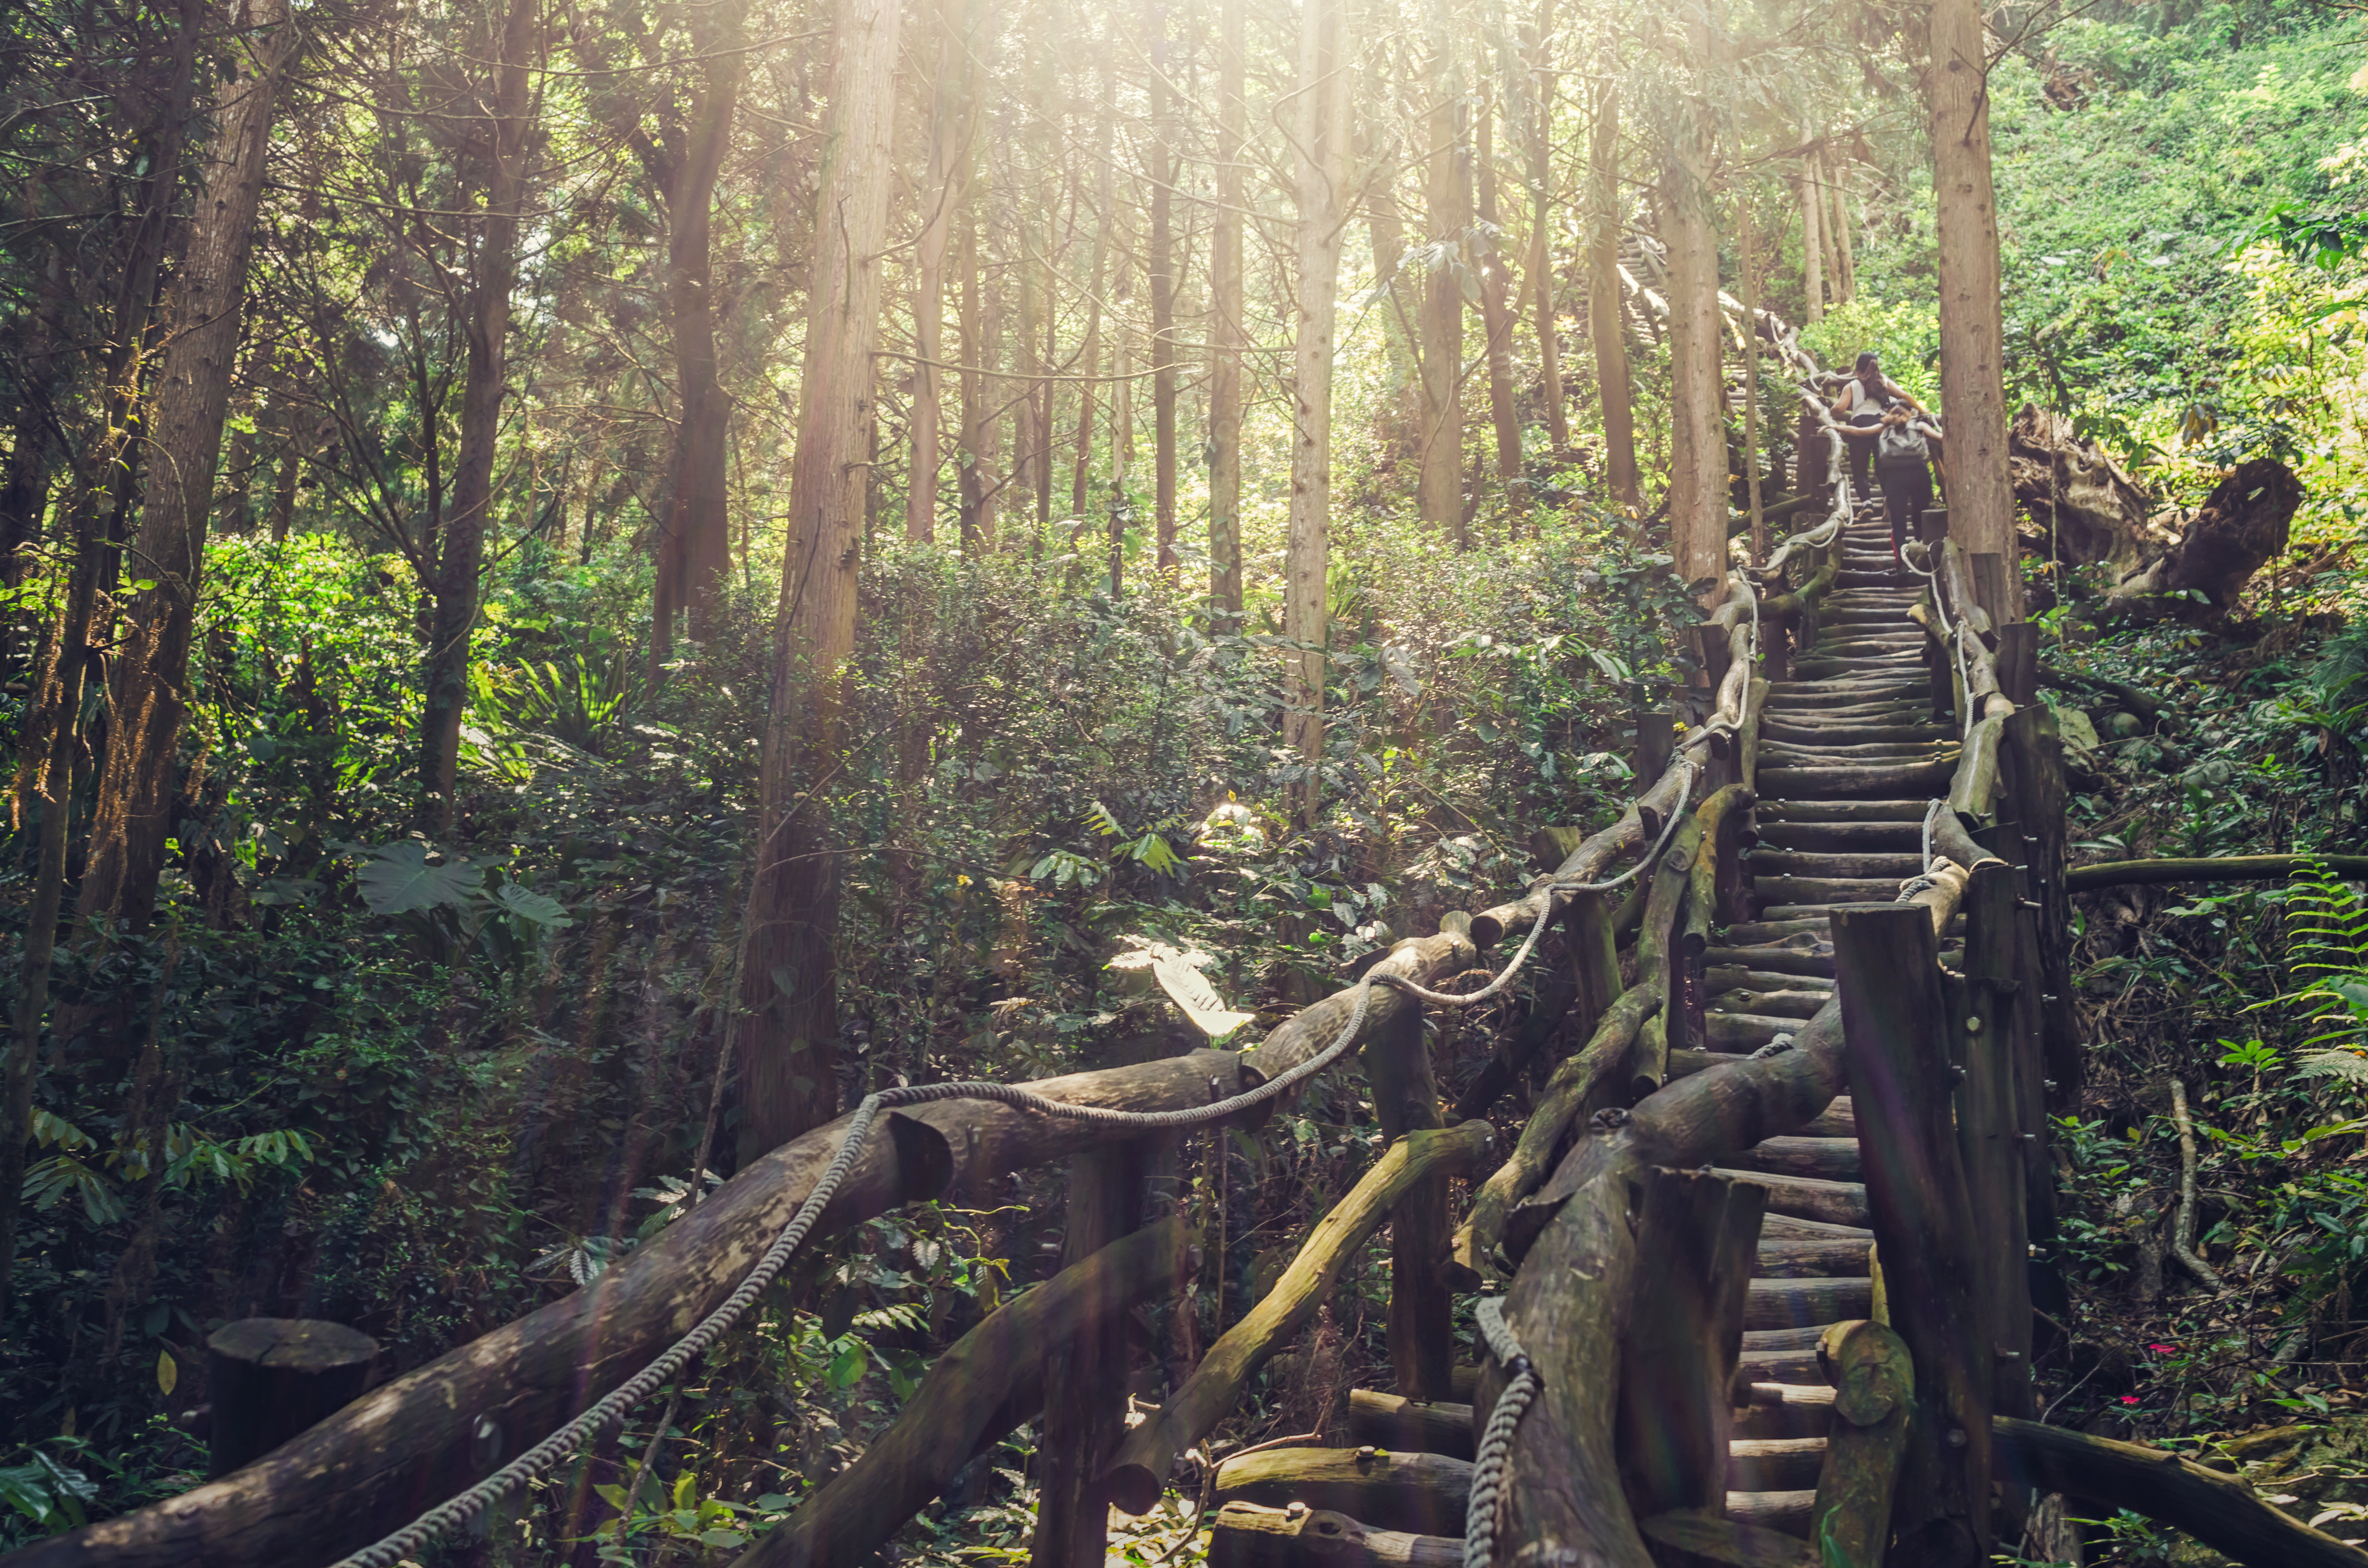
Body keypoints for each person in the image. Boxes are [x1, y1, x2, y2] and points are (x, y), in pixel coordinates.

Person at [1831, 352, 1928, 494]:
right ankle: (1889, 499)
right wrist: (1922, 410)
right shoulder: (1885, 382)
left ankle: (1867, 503)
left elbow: (1840, 408)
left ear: (1858, 371)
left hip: (1859, 425)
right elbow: (1905, 396)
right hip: (1882, 426)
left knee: (1860, 469)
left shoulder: (1852, 385)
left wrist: (1830, 413)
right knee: (1884, 466)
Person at [1872, 401, 1944, 564]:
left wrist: (1833, 428)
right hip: (1919, 474)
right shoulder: (1920, 426)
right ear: (1910, 412)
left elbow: (1857, 432)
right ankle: (1922, 559)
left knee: (1898, 525)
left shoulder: (1884, 429)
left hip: (1894, 478)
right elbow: (1941, 438)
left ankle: (1902, 564)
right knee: (1920, 520)